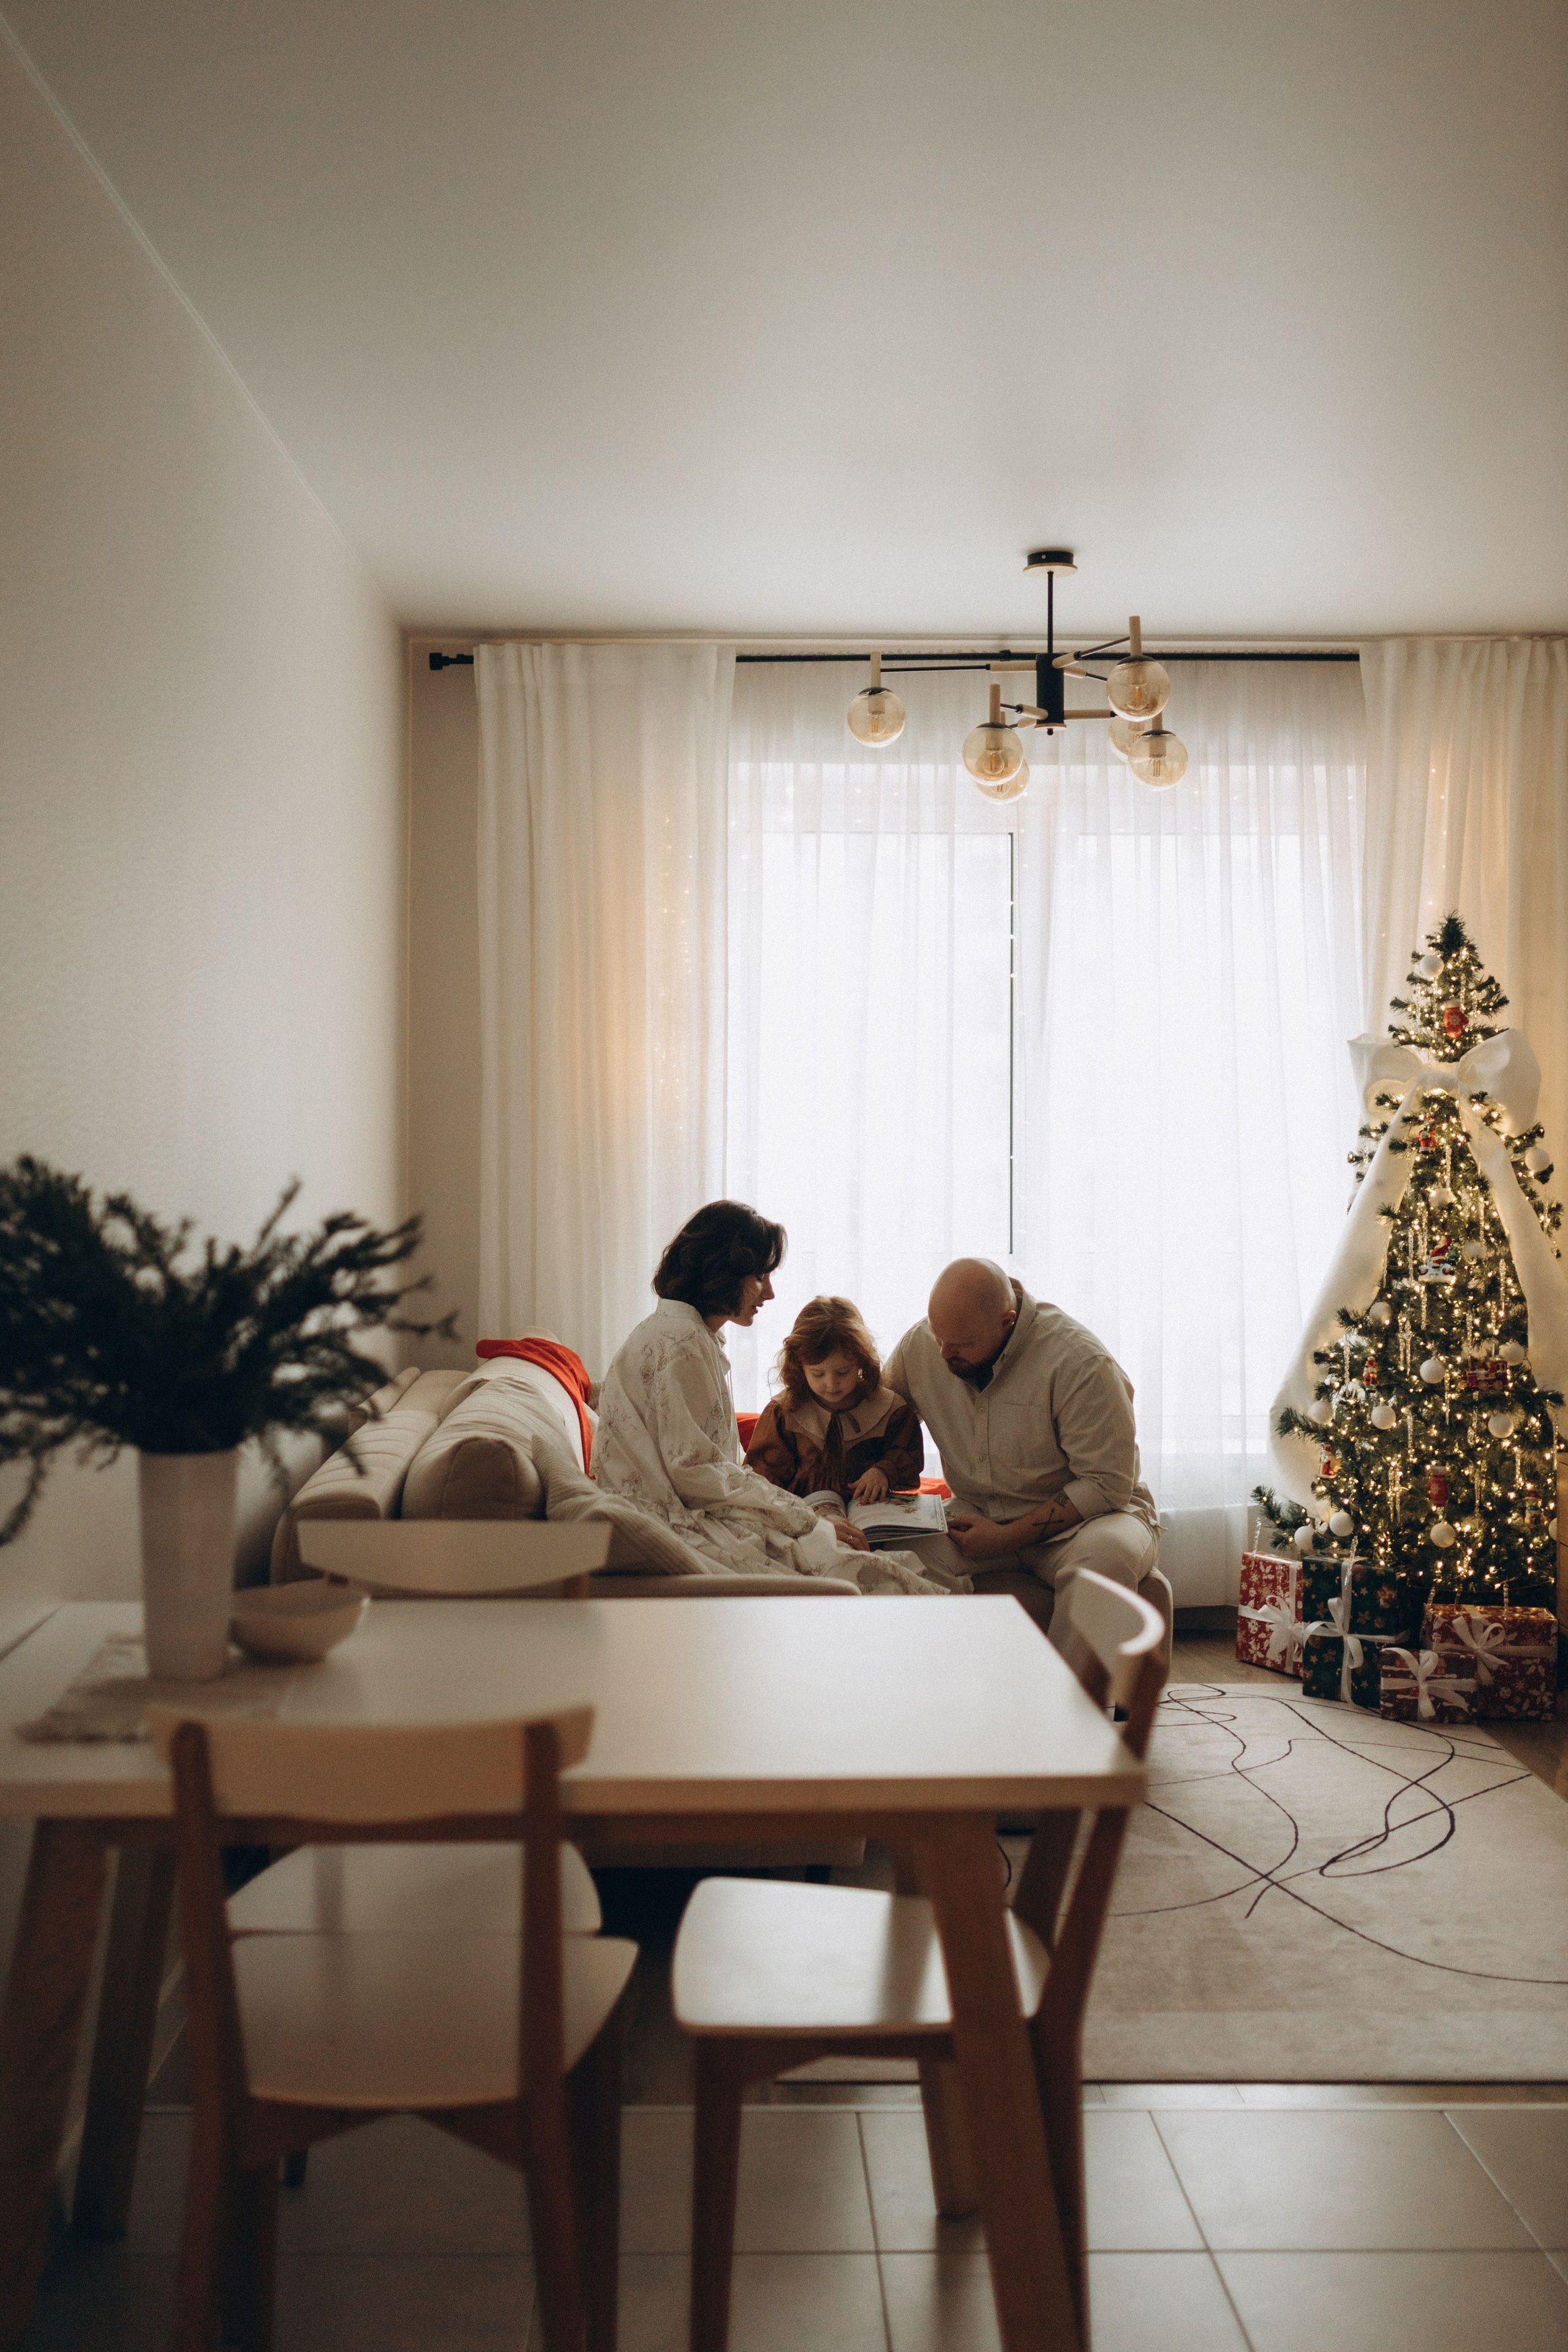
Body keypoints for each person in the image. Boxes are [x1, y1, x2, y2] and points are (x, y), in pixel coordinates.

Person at [594, 1203, 967, 1596]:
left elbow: (705, 1468)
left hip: (690, 1508)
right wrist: (806, 1520)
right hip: (677, 1520)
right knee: (877, 1573)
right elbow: (698, 1475)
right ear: (723, 1273)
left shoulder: (677, 1335)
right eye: (760, 1277)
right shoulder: (683, 1347)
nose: (770, 1293)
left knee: (878, 1563)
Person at [884, 1256, 1159, 1640]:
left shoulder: (1079, 1361)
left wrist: (1006, 1537)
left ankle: (1067, 1698)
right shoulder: (923, 1346)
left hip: (1091, 1522)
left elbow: (1106, 1485)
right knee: (891, 1562)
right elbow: (878, 1417)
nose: (945, 1354)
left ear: (1007, 1323)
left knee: (1105, 1562)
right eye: (938, 1336)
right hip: (977, 1513)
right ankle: (955, 1681)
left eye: (961, 1345)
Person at [743, 1295, 924, 1509]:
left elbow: (908, 1457)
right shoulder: (784, 1412)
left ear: (861, 1361)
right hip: (805, 1516)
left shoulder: (889, 1408)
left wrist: (883, 1471)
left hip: (870, 1511)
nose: (831, 1384)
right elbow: (763, 1477)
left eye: (843, 1372)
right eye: (818, 1374)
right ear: (799, 1366)